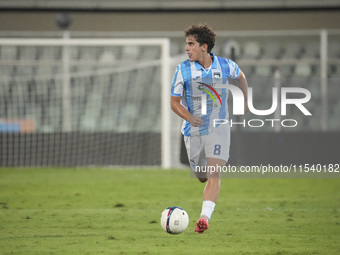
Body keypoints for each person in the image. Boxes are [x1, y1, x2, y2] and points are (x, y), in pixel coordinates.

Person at [170, 24, 248, 234]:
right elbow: (174, 102)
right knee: (202, 176)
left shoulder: (225, 65)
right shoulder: (182, 70)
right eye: (186, 44)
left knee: (214, 174)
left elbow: (241, 77)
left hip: (219, 127)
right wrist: (189, 117)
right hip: (192, 131)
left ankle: (204, 218)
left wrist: (243, 102)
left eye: (191, 44)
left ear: (204, 46)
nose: (187, 48)